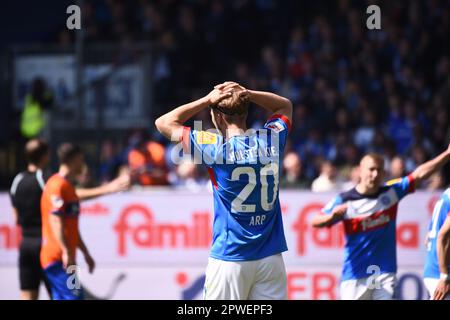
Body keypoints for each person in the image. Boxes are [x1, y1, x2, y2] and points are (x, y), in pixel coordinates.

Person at [155, 81, 292, 300]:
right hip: (271, 258)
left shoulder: (214, 146)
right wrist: (247, 94)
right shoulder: (271, 140)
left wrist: (206, 100)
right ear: (245, 113)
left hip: (231, 257)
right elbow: (285, 107)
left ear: (217, 117)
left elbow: (163, 123)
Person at [311, 145, 450, 300]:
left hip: (384, 273)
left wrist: (446, 154)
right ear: (360, 170)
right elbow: (315, 221)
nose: (375, 174)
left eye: (379, 170)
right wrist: (330, 218)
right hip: (355, 274)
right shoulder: (345, 199)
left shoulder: (391, 192)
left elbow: (418, 175)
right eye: (371, 169)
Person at [40, 143, 130, 300]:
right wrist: (66, 251)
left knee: (67, 296)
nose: (82, 164)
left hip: (68, 258)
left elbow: (71, 227)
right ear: (72, 160)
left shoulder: (67, 187)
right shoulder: (57, 185)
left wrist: (85, 252)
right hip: (57, 258)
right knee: (75, 296)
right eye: (80, 160)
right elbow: (56, 220)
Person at [9, 139, 52, 300]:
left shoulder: (17, 180)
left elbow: (15, 218)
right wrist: (108, 189)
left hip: (26, 245)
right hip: (49, 245)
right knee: (68, 292)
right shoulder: (46, 179)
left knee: (27, 293)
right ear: (44, 156)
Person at [423, 187, 450, 300]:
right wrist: (444, 277)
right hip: (441, 276)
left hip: (434, 271)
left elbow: (427, 237)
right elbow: (442, 236)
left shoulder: (446, 195)